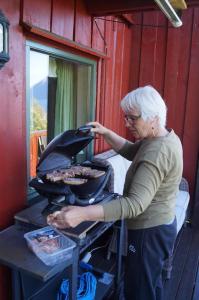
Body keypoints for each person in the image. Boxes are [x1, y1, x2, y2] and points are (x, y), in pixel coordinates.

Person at [47, 85, 183, 300]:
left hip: (149, 232)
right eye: (125, 117)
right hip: (162, 226)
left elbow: (133, 204)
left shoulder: (157, 152)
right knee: (151, 283)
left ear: (153, 118)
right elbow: (131, 151)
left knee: (138, 291)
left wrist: (81, 213)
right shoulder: (162, 138)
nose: (127, 123)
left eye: (132, 118)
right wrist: (106, 133)